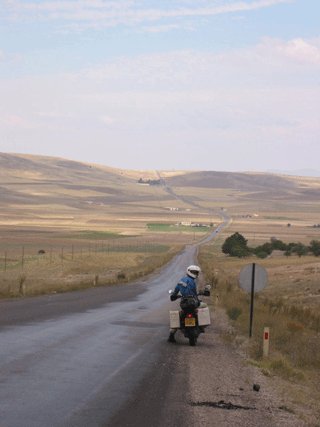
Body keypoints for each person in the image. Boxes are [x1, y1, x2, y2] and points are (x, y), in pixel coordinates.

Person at [168, 265, 202, 343]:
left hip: (184, 304)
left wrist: (174, 295)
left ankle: (171, 335)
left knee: (178, 317)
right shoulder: (193, 282)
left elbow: (176, 291)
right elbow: (194, 293)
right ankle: (200, 327)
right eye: (194, 272)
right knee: (202, 308)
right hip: (194, 303)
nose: (195, 274)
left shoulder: (181, 281)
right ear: (189, 271)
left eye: (196, 272)